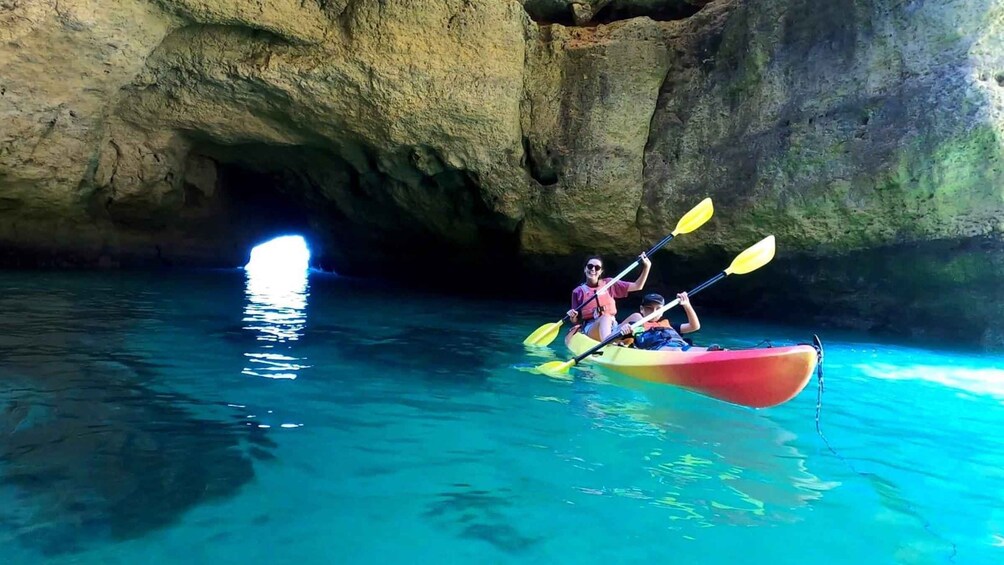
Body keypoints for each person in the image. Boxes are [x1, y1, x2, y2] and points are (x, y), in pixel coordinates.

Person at [567, 253, 652, 341]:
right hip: (592, 328)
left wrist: (647, 267)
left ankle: (640, 342)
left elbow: (637, 286)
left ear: (601, 272)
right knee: (605, 317)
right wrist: (572, 317)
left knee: (637, 317)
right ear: (585, 269)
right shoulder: (578, 291)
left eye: (597, 268)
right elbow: (576, 321)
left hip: (613, 326)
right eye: (590, 266)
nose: (593, 269)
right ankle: (608, 341)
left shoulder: (609, 284)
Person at [618, 292, 704, 350]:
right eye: (649, 309)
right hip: (662, 350)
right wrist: (624, 330)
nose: (654, 312)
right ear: (642, 309)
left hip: (680, 347)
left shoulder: (668, 326)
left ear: (663, 311)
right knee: (675, 351)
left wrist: (687, 305)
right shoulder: (634, 325)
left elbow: (694, 326)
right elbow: (615, 339)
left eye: (658, 309)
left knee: (697, 349)